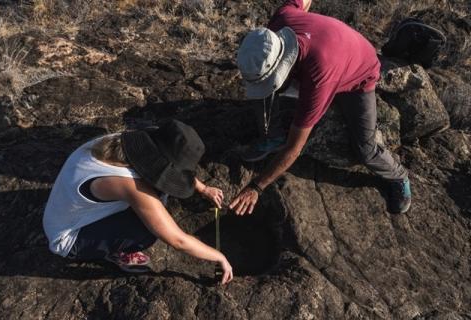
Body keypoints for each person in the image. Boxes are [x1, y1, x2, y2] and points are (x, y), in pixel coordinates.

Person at [230, 0, 411, 215]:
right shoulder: (278, 24)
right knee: (266, 93)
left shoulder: (318, 79)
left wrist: (256, 186)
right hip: (333, 53)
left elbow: (294, 148)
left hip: (360, 72)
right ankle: (274, 135)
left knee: (365, 149)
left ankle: (399, 176)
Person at [43, 120, 233, 284]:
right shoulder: (128, 184)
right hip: (68, 237)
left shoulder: (128, 143)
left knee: (159, 196)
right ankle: (118, 253)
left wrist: (202, 188)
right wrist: (219, 257)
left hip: (66, 209)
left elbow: (170, 165)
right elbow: (177, 239)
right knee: (147, 231)